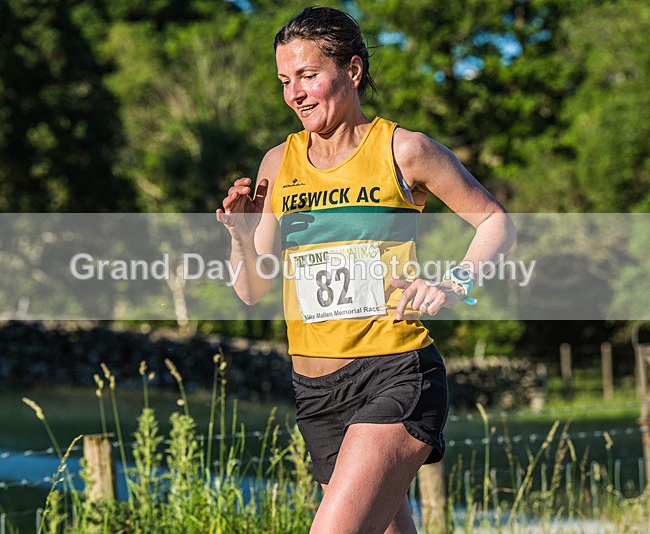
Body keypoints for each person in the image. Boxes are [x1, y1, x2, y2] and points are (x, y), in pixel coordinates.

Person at [216, 6, 515, 533]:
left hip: (394, 374)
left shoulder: (403, 150)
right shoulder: (276, 164)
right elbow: (251, 290)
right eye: (285, 80)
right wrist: (240, 236)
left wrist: (455, 282)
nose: (295, 93)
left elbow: (494, 221)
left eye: (309, 76)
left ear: (352, 71)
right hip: (315, 393)